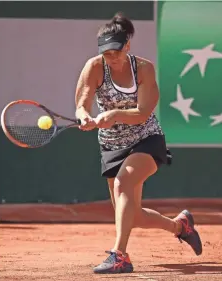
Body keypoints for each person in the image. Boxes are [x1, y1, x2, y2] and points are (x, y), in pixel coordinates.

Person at [75, 12, 202, 274]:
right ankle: (181, 226)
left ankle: (120, 256)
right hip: (111, 145)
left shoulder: (143, 69)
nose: (112, 57)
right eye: (106, 53)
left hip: (146, 139)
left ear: (127, 45)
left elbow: (143, 112)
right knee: (129, 214)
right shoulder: (94, 66)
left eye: (116, 52)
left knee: (123, 184)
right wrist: (84, 117)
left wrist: (114, 115)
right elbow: (83, 101)